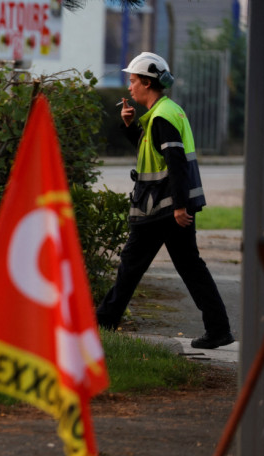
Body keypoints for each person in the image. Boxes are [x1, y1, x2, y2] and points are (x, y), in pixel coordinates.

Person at [96, 52, 235, 350]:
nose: (130, 87)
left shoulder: (161, 116)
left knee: (132, 266)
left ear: (147, 82)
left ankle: (102, 323)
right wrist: (129, 126)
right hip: (167, 208)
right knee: (189, 267)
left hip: (163, 209)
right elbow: (154, 152)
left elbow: (175, 162)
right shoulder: (166, 112)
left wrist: (181, 207)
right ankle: (219, 329)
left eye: (133, 81)